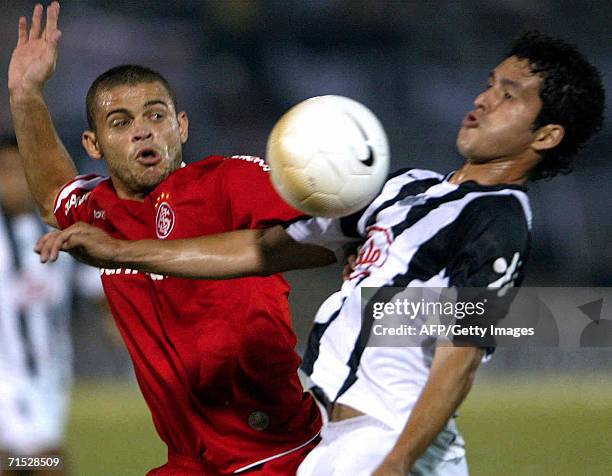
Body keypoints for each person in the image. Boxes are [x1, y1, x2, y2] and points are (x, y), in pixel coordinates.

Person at [37, 31, 606, 475]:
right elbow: (267, 248)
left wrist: (397, 462)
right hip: (332, 445)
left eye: (509, 96)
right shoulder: (406, 188)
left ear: (546, 136)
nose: (484, 100)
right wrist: (127, 252)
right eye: (490, 83)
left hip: (387, 444)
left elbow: (460, 355)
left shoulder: (498, 216)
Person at [9, 3, 333, 475]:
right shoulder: (101, 211)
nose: (143, 129)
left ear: (181, 126)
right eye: (120, 122)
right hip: (189, 463)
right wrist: (25, 94)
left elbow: (333, 232)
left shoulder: (227, 182)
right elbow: (52, 196)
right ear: (93, 146)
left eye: (156, 116)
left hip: (276, 453)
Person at [0, 137, 103, 476]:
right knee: (48, 461)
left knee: (24, 463)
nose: (12, 181)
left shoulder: (60, 232)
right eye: (4, 171)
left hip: (51, 377)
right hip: (8, 379)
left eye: (19, 171)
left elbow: (99, 295)